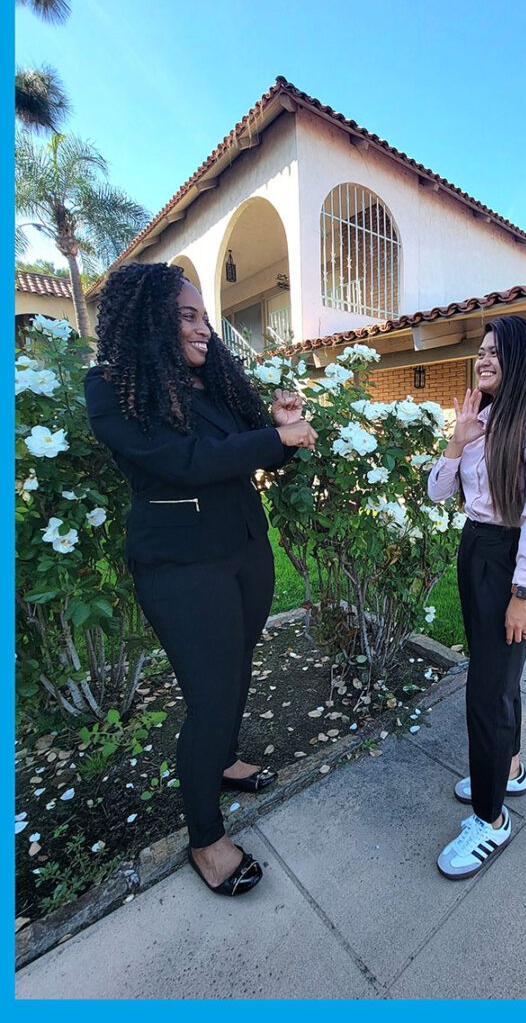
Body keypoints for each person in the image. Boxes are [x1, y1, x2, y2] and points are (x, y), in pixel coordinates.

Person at [85, 262, 317, 897]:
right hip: (180, 568)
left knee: (237, 667)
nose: (204, 330)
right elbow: (186, 463)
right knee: (212, 695)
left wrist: (279, 424)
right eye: (187, 316)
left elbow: (254, 456)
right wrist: (276, 437)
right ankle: (206, 839)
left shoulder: (214, 384)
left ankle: (221, 760)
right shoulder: (111, 388)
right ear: (147, 322)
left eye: (205, 317)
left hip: (244, 551)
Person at [427, 315, 526, 879]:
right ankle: (508, 770)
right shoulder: (479, 419)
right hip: (475, 549)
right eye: (480, 351)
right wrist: (456, 441)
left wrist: (523, 592)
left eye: (495, 352)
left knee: (487, 692)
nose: (483, 359)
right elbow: (440, 492)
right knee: (497, 678)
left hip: (511, 560)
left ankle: (491, 820)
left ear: (519, 358)